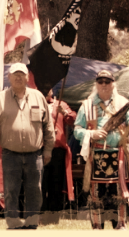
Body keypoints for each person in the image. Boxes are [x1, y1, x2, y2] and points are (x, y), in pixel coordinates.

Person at [0, 63, 56, 229]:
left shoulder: (39, 97)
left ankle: (31, 224)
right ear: (8, 77)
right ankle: (13, 224)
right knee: (11, 191)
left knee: (35, 192)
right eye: (15, 74)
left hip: (35, 155)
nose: (18, 77)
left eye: (22, 74)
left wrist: (47, 150)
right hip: (10, 155)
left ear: (27, 77)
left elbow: (48, 126)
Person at [74, 70, 129, 230]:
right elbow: (77, 130)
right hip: (97, 155)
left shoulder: (123, 104)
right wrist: (92, 133)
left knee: (119, 192)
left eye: (107, 81)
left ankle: (120, 225)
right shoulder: (87, 105)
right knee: (97, 194)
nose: (104, 85)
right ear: (96, 84)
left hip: (119, 154)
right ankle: (97, 226)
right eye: (101, 81)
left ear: (113, 84)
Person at [41, 88, 77, 224]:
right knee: (40, 184)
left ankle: (53, 218)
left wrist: (65, 113)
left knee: (55, 184)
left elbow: (73, 119)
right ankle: (40, 215)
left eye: (48, 88)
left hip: (57, 150)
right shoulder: (33, 104)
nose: (46, 91)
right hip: (40, 149)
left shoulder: (60, 104)